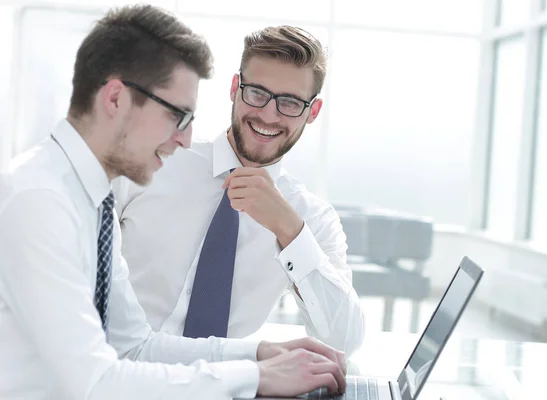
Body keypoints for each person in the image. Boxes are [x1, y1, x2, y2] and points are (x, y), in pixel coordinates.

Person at [0, 5, 347, 399]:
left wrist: (260, 354)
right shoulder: (40, 201)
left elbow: (134, 347)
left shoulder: (91, 201)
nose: (185, 139)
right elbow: (94, 383)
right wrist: (256, 377)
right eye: (177, 116)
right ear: (116, 99)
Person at [114, 25, 365, 354]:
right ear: (235, 88)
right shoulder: (153, 157)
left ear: (312, 112)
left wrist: (290, 231)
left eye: (289, 102)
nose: (268, 115)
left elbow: (344, 338)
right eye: (257, 94)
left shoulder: (311, 219)